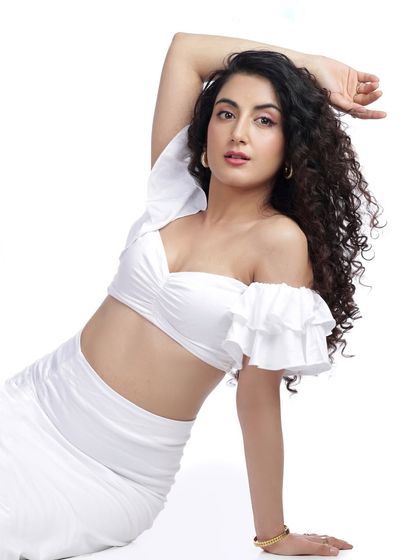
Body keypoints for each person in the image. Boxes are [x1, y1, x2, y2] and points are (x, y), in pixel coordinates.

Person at [0, 31, 386, 559]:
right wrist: (310, 64)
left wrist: (273, 534)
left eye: (265, 121)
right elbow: (185, 50)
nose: (239, 133)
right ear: (205, 132)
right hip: (27, 407)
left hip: (104, 476)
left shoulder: (278, 243)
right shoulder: (175, 195)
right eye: (226, 113)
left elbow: (257, 400)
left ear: (292, 149)